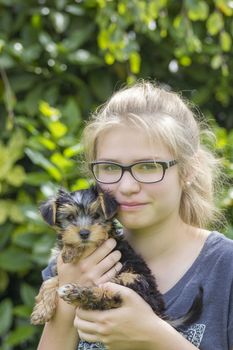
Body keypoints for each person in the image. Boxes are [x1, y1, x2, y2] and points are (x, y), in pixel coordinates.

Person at [37, 81, 233, 350]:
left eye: (149, 166)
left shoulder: (225, 269)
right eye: (109, 167)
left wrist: (155, 337)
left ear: (188, 170)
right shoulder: (73, 263)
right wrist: (65, 304)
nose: (127, 187)